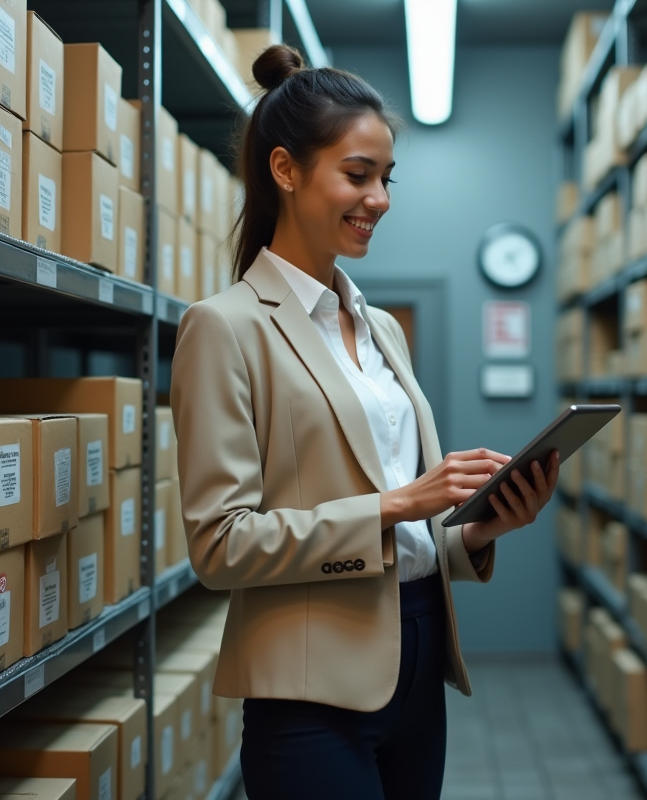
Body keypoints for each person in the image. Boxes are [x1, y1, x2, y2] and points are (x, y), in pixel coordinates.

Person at [169, 44, 560, 800]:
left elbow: (406, 543)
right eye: (357, 175)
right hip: (309, 690)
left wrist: (480, 526)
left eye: (386, 178)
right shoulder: (224, 328)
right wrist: (398, 502)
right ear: (285, 170)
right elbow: (220, 546)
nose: (379, 197)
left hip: (416, 665)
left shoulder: (381, 328)